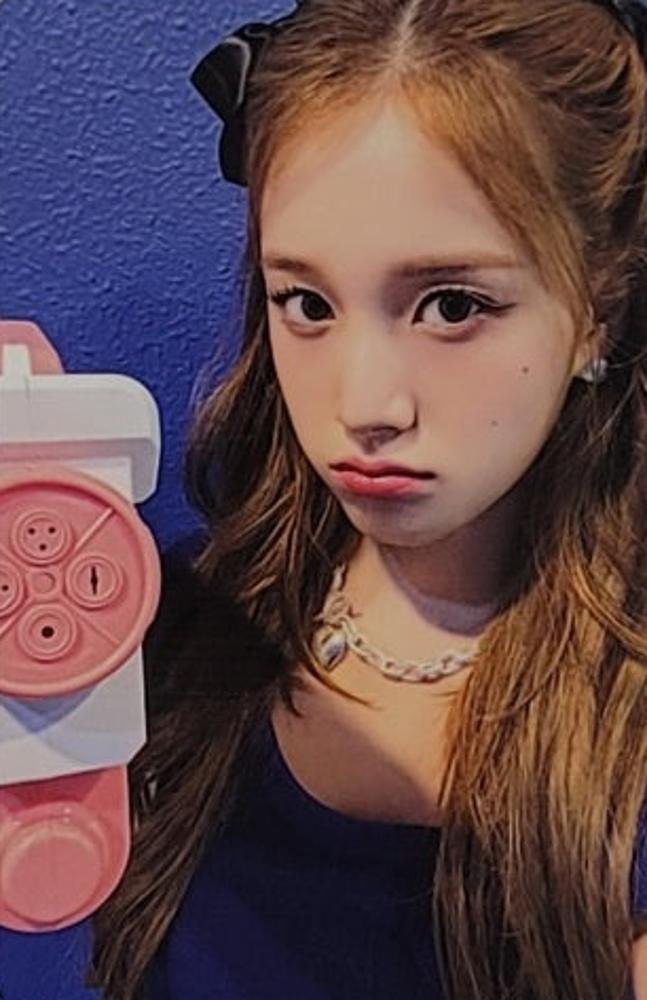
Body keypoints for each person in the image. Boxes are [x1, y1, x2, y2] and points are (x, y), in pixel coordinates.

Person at [2, 0, 647, 997]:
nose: (364, 406)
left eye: (452, 305)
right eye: (305, 302)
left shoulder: (622, 736)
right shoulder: (166, 636)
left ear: (596, 310)